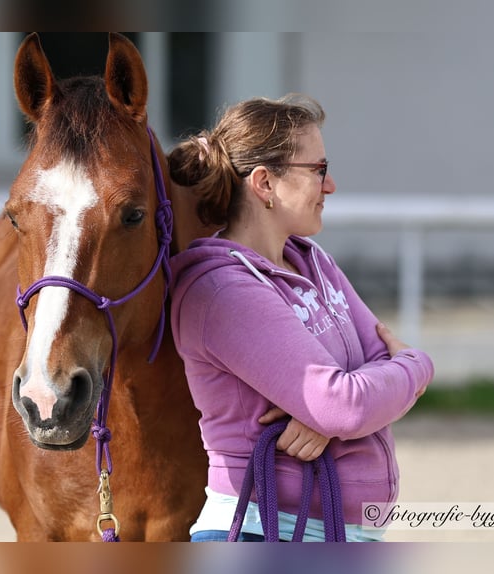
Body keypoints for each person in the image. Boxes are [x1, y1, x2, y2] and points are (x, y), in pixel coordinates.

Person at [167, 93, 434, 542]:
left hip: (324, 533)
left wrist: (329, 411)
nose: (330, 186)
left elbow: (347, 396)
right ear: (265, 184)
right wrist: (417, 366)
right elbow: (349, 405)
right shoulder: (222, 290)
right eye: (318, 171)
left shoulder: (312, 260)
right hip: (266, 530)